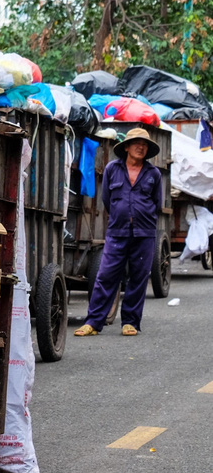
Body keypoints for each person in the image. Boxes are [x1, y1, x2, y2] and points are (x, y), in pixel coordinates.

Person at [75, 127, 163, 337]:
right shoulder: (112, 169)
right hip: (117, 232)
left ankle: (130, 322)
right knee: (106, 276)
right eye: (136, 143)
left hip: (144, 233)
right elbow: (106, 199)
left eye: (144, 145)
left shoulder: (153, 173)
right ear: (126, 148)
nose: (141, 147)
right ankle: (94, 323)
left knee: (138, 277)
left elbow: (157, 204)